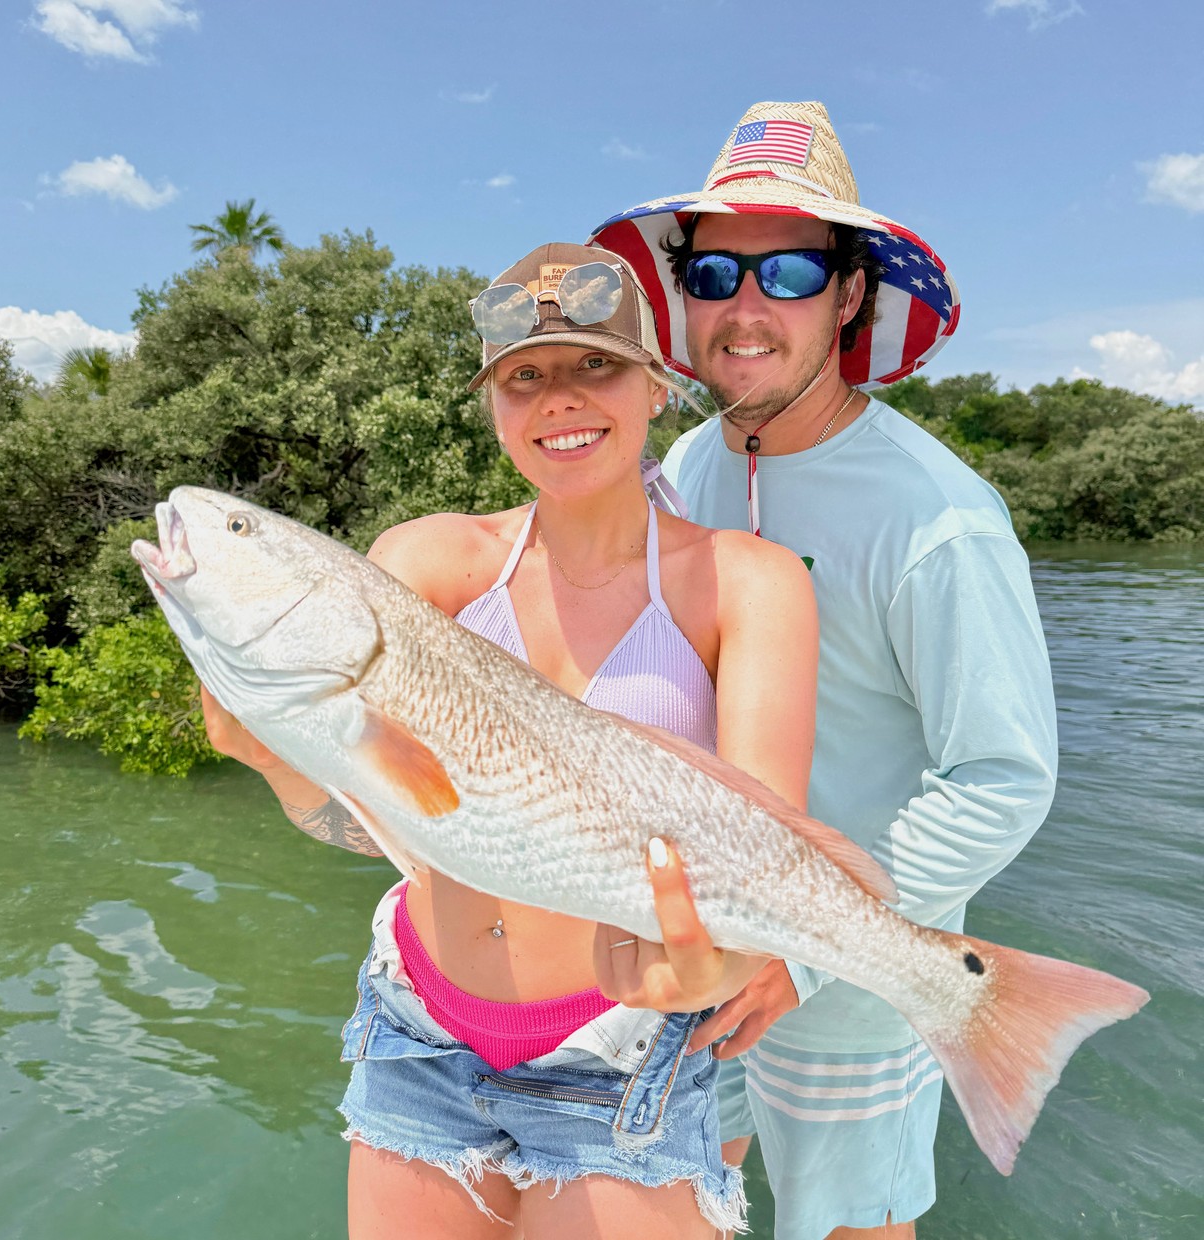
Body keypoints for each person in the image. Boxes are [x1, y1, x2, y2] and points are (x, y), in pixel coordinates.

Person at [201, 241, 819, 1239]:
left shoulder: (751, 583)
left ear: (657, 384)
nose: (559, 400)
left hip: (622, 1051)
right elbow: (371, 828)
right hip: (419, 1031)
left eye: (594, 365)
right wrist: (273, 758)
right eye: (523, 378)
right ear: (493, 405)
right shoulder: (426, 563)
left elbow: (763, 858)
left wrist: (723, 967)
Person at [588, 101, 1059, 1240]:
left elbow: (1003, 777)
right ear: (681, 292)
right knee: (687, 1200)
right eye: (714, 271)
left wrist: (804, 955)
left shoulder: (934, 516)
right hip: (686, 963)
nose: (746, 309)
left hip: (846, 991)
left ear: (849, 295)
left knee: (851, 1225)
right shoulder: (676, 470)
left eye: (790, 269)